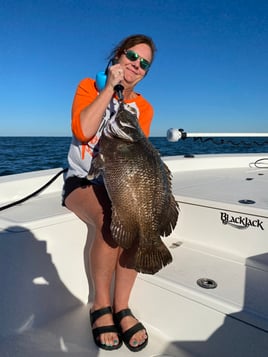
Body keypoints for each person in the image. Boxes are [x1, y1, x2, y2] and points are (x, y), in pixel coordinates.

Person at [62, 34, 156, 352]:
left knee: (138, 221)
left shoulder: (144, 107)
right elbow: (83, 131)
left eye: (144, 63)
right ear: (119, 55)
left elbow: (141, 154)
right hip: (82, 182)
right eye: (132, 56)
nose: (136, 65)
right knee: (108, 218)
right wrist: (108, 90)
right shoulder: (88, 86)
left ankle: (122, 307)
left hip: (121, 183)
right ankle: (100, 306)